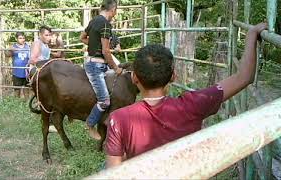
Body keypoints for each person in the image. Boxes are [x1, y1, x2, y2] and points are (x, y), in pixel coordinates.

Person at [104, 23, 268, 168]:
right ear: (173, 76)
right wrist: (252, 34)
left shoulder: (118, 119)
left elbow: (115, 173)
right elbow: (244, 77)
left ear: (134, 77)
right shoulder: (194, 104)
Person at [80, 0, 122, 140]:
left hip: (95, 63)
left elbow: (82, 38)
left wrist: (94, 43)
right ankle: (90, 124)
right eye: (116, 11)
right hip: (96, 66)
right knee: (105, 101)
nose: (115, 14)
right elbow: (105, 51)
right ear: (113, 9)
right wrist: (115, 68)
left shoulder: (94, 21)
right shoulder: (105, 24)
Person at [6, 32, 30, 98]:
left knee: (26, 89)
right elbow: (7, 55)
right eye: (20, 38)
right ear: (16, 39)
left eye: (23, 38)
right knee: (17, 90)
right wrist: (9, 50)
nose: (22, 39)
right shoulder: (13, 47)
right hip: (17, 72)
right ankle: (17, 103)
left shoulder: (27, 46)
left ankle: (26, 103)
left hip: (26, 72)